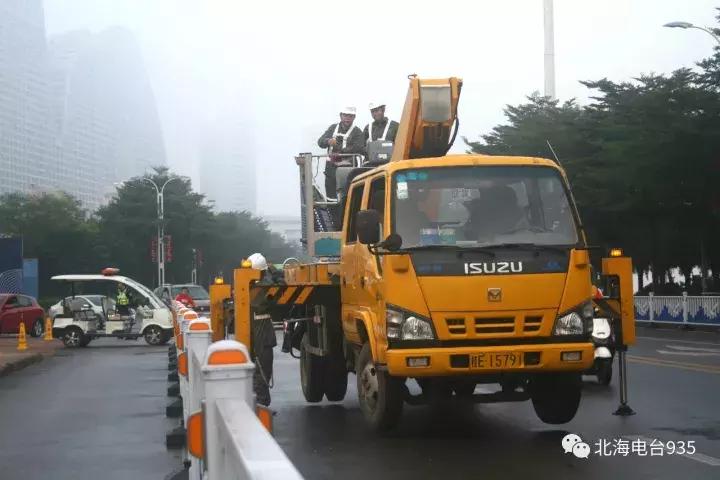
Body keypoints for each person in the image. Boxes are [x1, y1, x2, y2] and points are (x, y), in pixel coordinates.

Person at [248, 252, 277, 406]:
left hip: (257, 334)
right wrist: (274, 271)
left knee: (260, 371)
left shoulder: (251, 287)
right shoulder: (263, 287)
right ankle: (260, 402)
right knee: (261, 370)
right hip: (260, 334)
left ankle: (260, 402)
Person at [317, 106, 365, 199]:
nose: (347, 118)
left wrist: (340, 151)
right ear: (341, 116)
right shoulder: (333, 128)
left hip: (348, 169)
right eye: (345, 115)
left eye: (350, 116)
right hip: (331, 169)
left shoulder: (357, 132)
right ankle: (332, 212)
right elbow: (320, 142)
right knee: (331, 197)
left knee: (347, 196)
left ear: (354, 117)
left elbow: (358, 147)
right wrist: (328, 141)